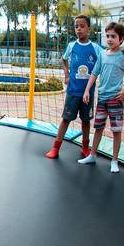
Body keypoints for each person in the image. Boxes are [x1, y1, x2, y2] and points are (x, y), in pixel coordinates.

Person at [78, 22, 124, 173]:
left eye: (113, 36)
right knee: (98, 128)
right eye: (108, 36)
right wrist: (87, 90)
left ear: (121, 39)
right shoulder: (102, 54)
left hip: (116, 99)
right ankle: (92, 155)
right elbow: (94, 73)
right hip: (102, 98)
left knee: (116, 130)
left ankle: (114, 160)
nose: (110, 39)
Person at [45, 15, 101, 159]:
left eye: (82, 26)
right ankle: (55, 148)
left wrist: (123, 51)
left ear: (89, 29)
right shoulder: (72, 46)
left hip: (87, 93)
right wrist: (66, 74)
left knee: (86, 121)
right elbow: (63, 59)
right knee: (66, 119)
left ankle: (85, 148)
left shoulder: (95, 48)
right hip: (73, 91)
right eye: (76, 26)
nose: (79, 29)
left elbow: (108, 54)